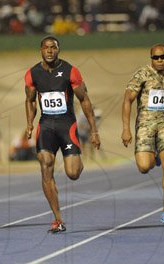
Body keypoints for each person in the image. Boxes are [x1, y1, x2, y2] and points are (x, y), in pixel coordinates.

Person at [25, 35, 101, 233]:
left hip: (67, 126)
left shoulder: (70, 71)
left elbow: (84, 100)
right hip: (46, 127)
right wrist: (29, 124)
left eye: (53, 47)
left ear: (58, 50)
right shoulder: (32, 74)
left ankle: (77, 160)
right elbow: (30, 101)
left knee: (73, 173)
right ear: (40, 50)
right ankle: (58, 219)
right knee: (45, 166)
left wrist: (93, 130)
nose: (49, 51)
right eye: (46, 48)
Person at [121, 44, 164, 224]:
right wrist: (126, 128)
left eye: (163, 57)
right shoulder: (142, 75)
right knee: (144, 167)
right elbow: (127, 99)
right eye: (156, 57)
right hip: (145, 122)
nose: (159, 60)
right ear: (150, 58)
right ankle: (154, 158)